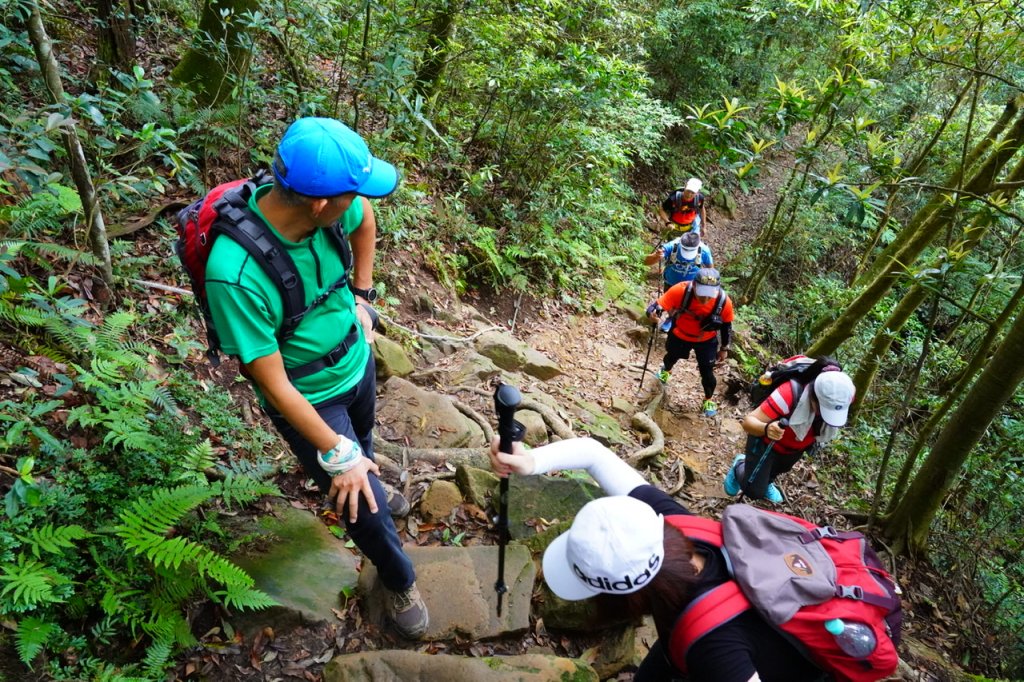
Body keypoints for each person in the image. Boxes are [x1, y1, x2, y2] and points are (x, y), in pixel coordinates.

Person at [205, 117, 428, 638]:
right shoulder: (235, 271)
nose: (359, 201)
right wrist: (339, 455)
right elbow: (272, 382)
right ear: (320, 202)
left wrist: (365, 300)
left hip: (357, 362)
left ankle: (368, 468)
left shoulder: (332, 210)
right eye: (352, 193)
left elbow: (366, 219)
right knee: (365, 511)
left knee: (367, 442)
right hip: (310, 399)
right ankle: (399, 579)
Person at [488, 436, 830, 682]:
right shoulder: (671, 526)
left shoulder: (714, 652)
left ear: (625, 598)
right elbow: (594, 454)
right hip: (698, 631)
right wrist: (529, 462)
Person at [724, 365, 855, 504]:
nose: (824, 416)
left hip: (795, 449)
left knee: (780, 469)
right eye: (823, 409)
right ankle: (739, 465)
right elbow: (748, 422)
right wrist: (766, 428)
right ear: (813, 396)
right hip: (766, 443)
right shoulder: (789, 394)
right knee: (753, 491)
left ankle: (767, 481)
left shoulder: (845, 395)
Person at [646, 267, 733, 417]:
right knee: (671, 356)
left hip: (706, 340)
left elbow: (726, 326)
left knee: (707, 371)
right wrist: (653, 314)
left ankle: (708, 399)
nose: (705, 299)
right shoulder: (680, 291)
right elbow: (655, 307)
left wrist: (724, 348)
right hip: (680, 334)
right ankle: (666, 371)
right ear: (694, 285)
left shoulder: (723, 301)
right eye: (702, 294)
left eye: (709, 295)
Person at [644, 231, 715, 293]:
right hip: (670, 284)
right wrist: (656, 256)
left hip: (691, 286)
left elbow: (710, 270)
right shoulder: (672, 246)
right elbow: (646, 262)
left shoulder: (704, 251)